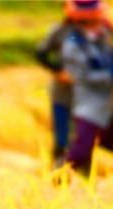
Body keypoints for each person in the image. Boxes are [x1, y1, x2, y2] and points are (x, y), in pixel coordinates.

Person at [60, 0, 113, 173]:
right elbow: (83, 76)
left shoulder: (109, 35)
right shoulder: (73, 41)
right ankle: (57, 180)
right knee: (80, 151)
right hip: (92, 107)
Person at [34, 2, 80, 166]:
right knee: (62, 135)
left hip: (89, 95)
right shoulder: (60, 31)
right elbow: (41, 53)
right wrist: (58, 71)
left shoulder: (98, 32)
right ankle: (58, 169)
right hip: (63, 93)